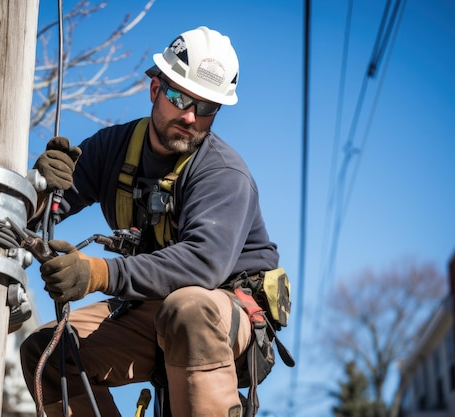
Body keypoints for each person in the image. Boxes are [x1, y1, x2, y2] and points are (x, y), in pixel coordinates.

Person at [20, 26, 286, 417]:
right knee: (47, 352)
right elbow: (36, 217)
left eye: (208, 107)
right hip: (154, 307)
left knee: (189, 309)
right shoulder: (112, 149)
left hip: (222, 311)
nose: (191, 115)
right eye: (180, 96)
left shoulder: (224, 173)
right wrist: (39, 190)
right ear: (154, 89)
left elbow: (202, 264)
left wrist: (94, 273)